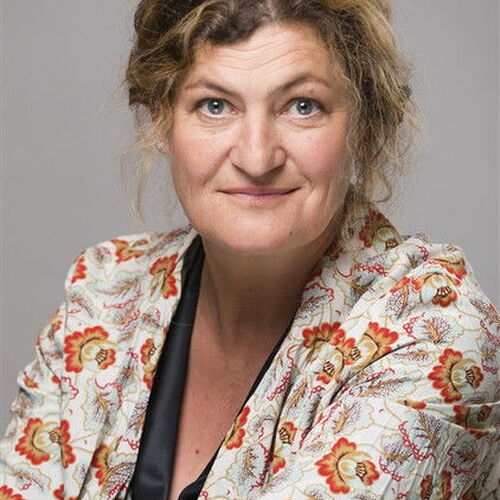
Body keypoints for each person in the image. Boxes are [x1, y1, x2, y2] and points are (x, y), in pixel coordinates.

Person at [1, 0, 498, 498]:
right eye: (215, 106)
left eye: (302, 106)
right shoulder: (105, 294)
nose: (257, 158)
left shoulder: (434, 331)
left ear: (364, 128)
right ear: (161, 120)